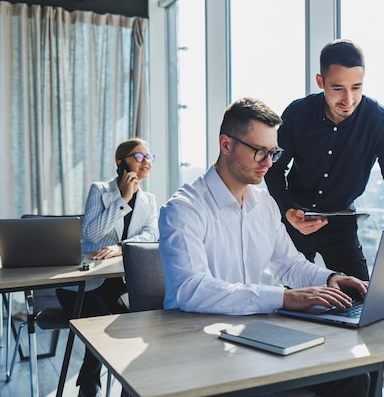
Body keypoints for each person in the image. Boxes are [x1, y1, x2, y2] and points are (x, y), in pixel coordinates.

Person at [159, 97, 371, 397]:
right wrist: (284, 298)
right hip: (200, 348)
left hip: (251, 338)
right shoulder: (184, 209)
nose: (269, 163)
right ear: (226, 144)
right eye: (260, 151)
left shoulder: (264, 204)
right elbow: (190, 289)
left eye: (273, 152)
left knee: (353, 378)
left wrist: (330, 279)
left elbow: (288, 264)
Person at [264, 39, 384, 290]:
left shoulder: (380, 122)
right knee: (295, 304)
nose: (348, 99)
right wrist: (287, 210)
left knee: (363, 300)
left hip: (341, 226)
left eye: (356, 87)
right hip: (295, 221)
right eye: (338, 88)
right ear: (321, 82)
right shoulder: (297, 114)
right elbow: (274, 170)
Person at [56, 138, 159, 397]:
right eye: (139, 156)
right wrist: (122, 199)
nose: (146, 161)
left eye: (149, 157)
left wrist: (121, 246)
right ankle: (90, 384)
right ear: (120, 162)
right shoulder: (100, 191)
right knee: (106, 326)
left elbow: (152, 235)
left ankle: (104, 384)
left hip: (118, 282)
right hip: (83, 284)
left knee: (131, 326)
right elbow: (90, 233)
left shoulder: (149, 200)